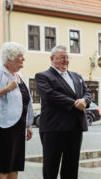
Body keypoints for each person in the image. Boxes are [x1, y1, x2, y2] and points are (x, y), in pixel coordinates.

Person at [35, 45, 91, 179]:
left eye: (67, 57)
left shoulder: (76, 76)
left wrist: (85, 100)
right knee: (51, 166)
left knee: (71, 167)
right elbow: (50, 95)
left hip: (75, 127)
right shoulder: (43, 76)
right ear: (52, 59)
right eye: (61, 57)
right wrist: (74, 103)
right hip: (54, 128)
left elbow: (87, 92)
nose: (65, 60)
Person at [0, 42, 34, 179]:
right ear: (10, 57)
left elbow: (26, 101)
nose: (23, 59)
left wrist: (28, 124)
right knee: (3, 167)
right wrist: (7, 89)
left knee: (14, 167)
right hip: (4, 127)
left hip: (18, 128)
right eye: (20, 56)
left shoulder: (20, 76)